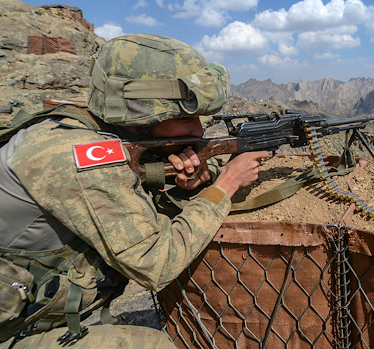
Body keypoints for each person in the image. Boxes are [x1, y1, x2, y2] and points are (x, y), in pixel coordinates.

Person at [0, 33, 269, 348]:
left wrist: (176, 179)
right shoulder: (75, 154)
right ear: (138, 116)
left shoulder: (92, 130)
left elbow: (123, 186)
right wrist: (226, 184)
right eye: (183, 118)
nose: (198, 130)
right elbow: (157, 263)